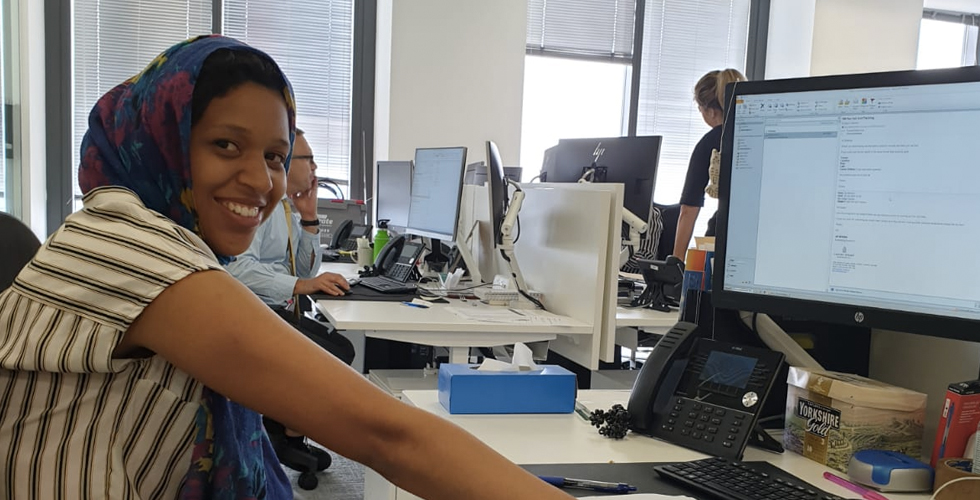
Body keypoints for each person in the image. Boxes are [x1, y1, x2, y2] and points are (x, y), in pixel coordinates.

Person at [0, 35, 573, 500]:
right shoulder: (128, 247)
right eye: (226, 145)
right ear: (164, 136)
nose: (261, 179)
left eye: (275, 156)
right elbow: (388, 436)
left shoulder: (138, 231)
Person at [225, 127, 356, 474]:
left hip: (275, 306)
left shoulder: (287, 207)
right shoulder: (261, 208)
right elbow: (237, 268)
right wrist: (301, 284)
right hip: (249, 311)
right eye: (308, 159)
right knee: (335, 354)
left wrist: (310, 218)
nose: (315, 168)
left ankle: (288, 430)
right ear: (283, 162)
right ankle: (282, 430)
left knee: (340, 347)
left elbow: (302, 266)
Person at [672, 68, 746, 259]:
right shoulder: (756, 133)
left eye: (701, 109)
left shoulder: (710, 142)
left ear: (712, 112)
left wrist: (676, 265)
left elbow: (688, 210)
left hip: (723, 235)